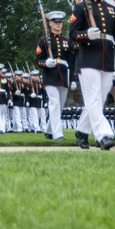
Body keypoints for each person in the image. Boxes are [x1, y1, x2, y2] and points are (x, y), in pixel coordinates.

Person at [69, 0, 115, 150]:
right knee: (93, 98)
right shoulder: (81, 7)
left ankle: (82, 132)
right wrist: (85, 35)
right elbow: (73, 34)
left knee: (98, 99)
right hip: (88, 58)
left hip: (106, 59)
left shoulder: (111, 9)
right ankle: (103, 135)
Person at [37, 10, 74, 141]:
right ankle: (58, 133)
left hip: (63, 75)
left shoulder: (66, 41)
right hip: (50, 76)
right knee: (54, 103)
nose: (58, 25)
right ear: (50, 23)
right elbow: (38, 60)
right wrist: (46, 63)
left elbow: (71, 61)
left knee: (61, 105)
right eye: (55, 22)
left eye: (60, 22)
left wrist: (73, 78)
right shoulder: (44, 40)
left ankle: (48, 129)